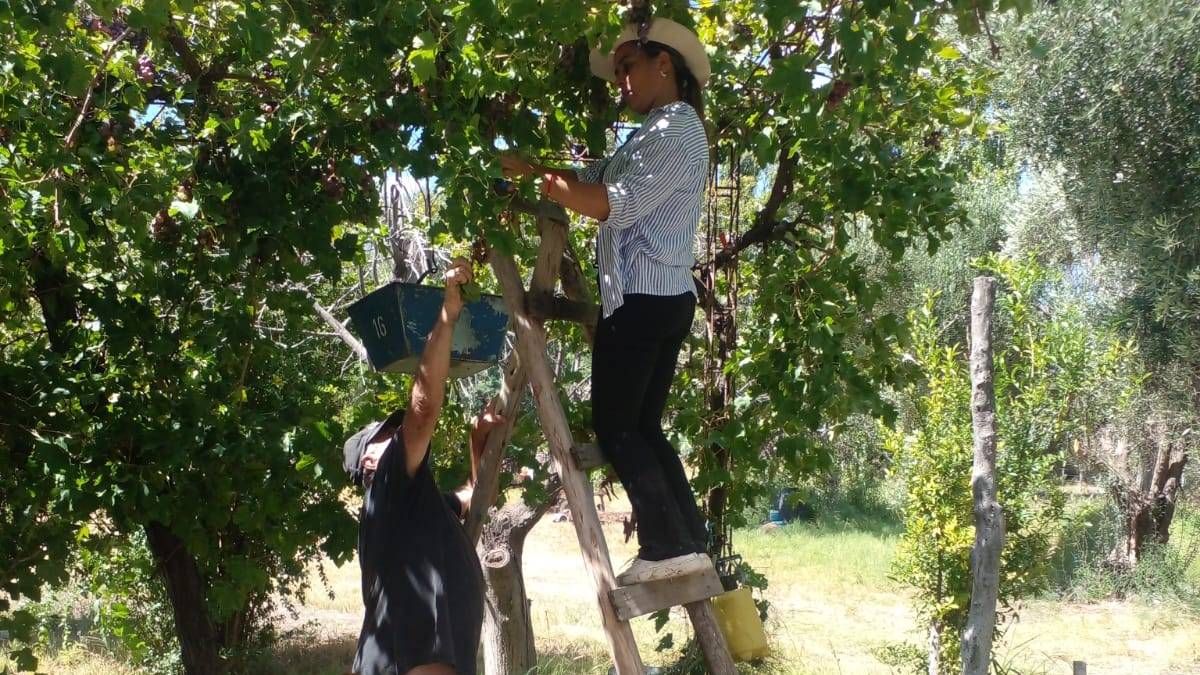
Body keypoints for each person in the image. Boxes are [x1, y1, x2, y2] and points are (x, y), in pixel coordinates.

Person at [500, 17, 712, 586]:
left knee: (615, 426)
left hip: (643, 298)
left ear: (663, 64)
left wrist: (544, 182)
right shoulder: (651, 133)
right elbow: (588, 177)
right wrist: (541, 170)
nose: (621, 80)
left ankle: (665, 545)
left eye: (628, 67)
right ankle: (690, 540)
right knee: (643, 427)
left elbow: (605, 202)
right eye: (617, 70)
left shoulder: (676, 131)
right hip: (655, 297)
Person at [342, 258, 503, 675]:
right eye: (391, 436)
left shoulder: (419, 508)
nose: (404, 438)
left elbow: (472, 494)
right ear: (369, 462)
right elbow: (424, 408)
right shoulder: (387, 488)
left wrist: (477, 441)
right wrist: (448, 315)